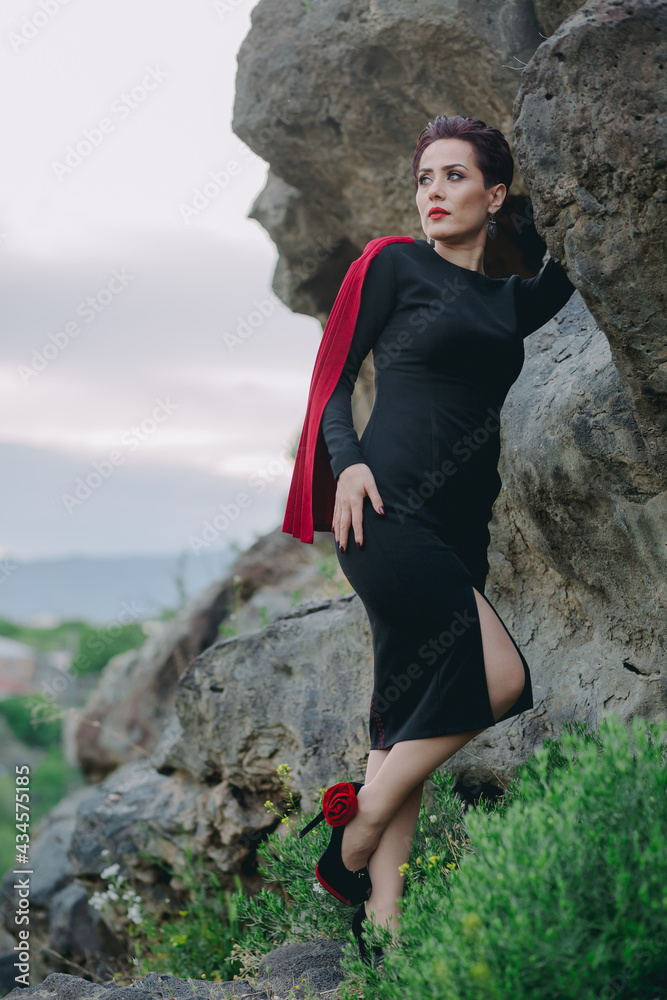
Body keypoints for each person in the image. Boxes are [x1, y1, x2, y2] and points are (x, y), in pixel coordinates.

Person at [285, 114, 577, 960]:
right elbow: (332, 380)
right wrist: (348, 466)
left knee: (403, 724)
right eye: (424, 179)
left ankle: (383, 934)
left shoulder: (511, 300)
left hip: (458, 531)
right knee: (501, 678)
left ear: (493, 196)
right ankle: (356, 828)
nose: (434, 194)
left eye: (454, 178)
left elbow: (578, 254)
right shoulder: (391, 263)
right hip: (383, 511)